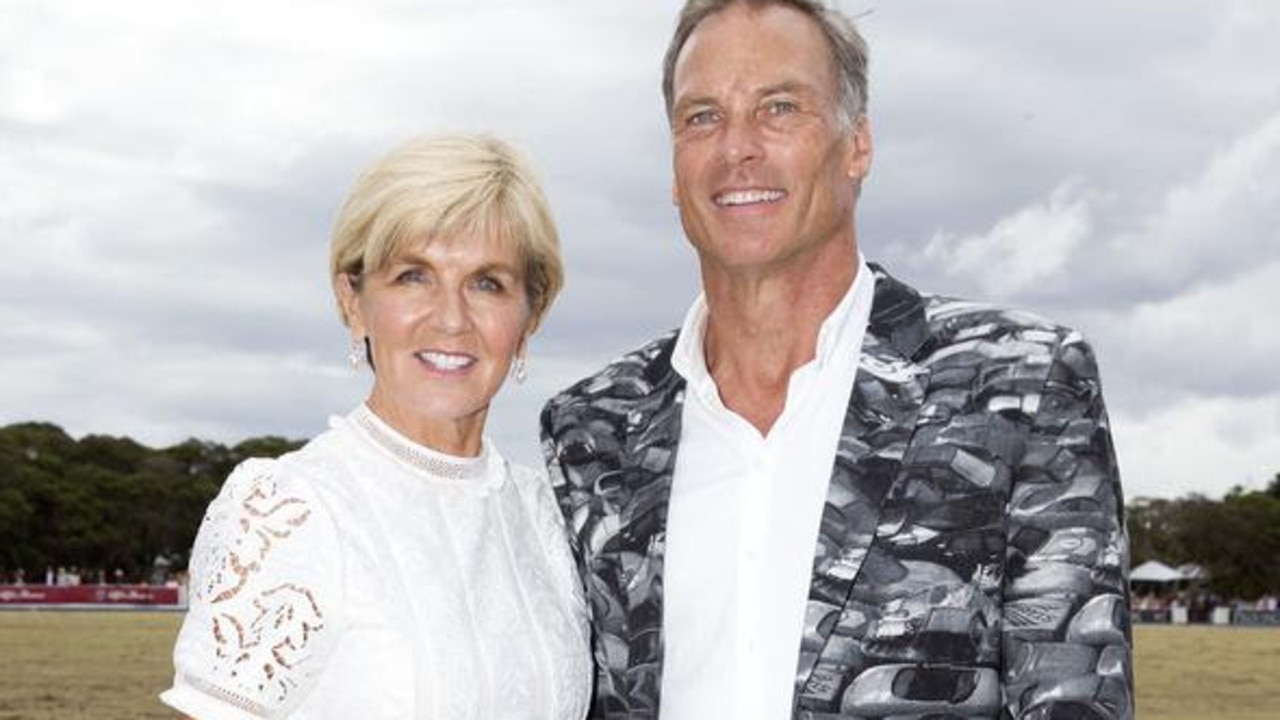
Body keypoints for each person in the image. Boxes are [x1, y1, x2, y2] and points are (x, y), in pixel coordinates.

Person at [541, 1, 1133, 718]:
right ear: (674, 166)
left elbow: (1075, 699)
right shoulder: (590, 431)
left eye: (780, 108)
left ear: (858, 144)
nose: (737, 149)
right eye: (702, 117)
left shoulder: (1021, 385)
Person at [163, 134, 591, 719]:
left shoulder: (547, 515)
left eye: (487, 282)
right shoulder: (290, 509)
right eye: (414, 276)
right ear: (353, 300)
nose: (451, 317)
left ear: (529, 316)